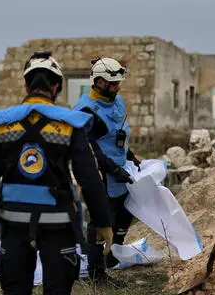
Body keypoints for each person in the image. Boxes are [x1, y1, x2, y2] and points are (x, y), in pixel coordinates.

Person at [0, 50, 114, 295]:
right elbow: (90, 178)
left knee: (15, 290)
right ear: (57, 87)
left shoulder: (1, 125)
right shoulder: (71, 124)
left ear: (26, 84)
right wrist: (104, 222)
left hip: (14, 223)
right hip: (58, 224)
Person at [73, 57, 142, 289]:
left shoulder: (117, 101)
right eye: (112, 84)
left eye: (118, 84)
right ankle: (96, 274)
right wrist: (112, 169)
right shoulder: (87, 111)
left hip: (118, 170)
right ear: (99, 82)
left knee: (124, 215)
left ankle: (112, 254)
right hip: (99, 174)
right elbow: (89, 150)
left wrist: (129, 154)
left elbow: (117, 133)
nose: (116, 88)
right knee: (100, 222)